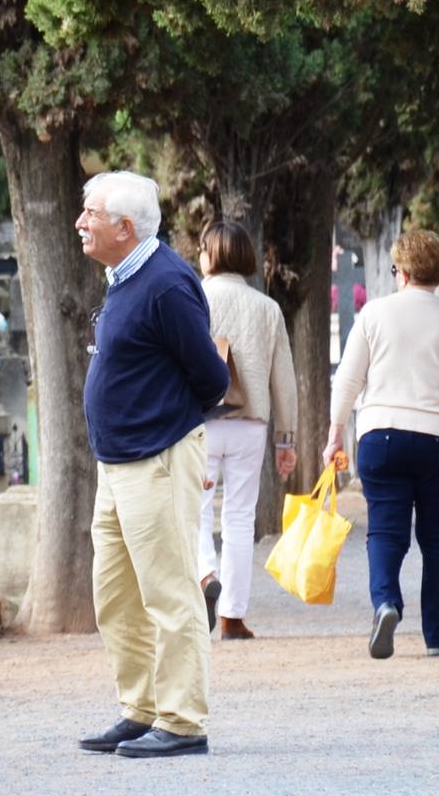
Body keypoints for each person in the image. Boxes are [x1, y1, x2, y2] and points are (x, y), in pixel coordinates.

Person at [73, 171, 230, 760]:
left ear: (125, 227)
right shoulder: (126, 277)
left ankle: (184, 721)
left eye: (90, 213)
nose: (81, 222)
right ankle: (139, 709)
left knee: (169, 593)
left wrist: (170, 431)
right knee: (114, 596)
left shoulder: (164, 283)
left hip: (156, 459)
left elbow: (212, 378)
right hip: (117, 465)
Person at [323, 228, 439, 659]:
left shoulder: (374, 316)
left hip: (382, 437)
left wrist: (334, 435)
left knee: (385, 530)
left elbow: (347, 381)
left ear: (400, 271)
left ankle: (386, 603)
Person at [195, 221, 298, 640]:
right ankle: (233, 617)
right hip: (250, 423)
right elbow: (284, 380)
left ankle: (204, 576)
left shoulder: (192, 298)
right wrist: (286, 440)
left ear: (211, 254)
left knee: (194, 509)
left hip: (198, 421)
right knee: (239, 517)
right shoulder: (266, 307)